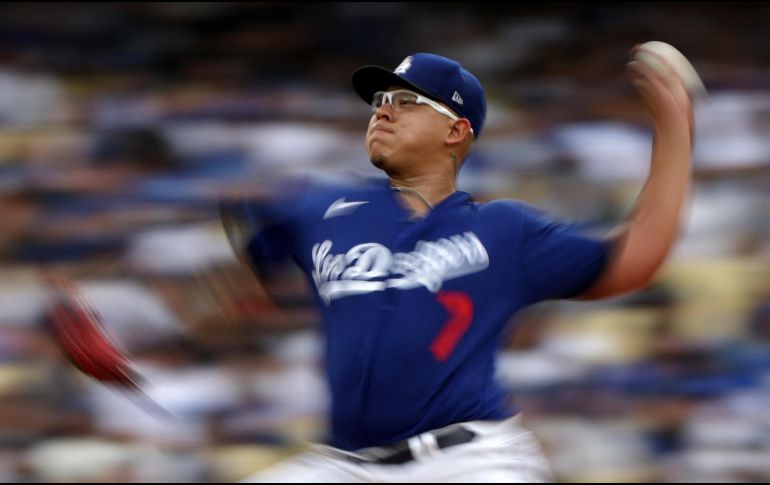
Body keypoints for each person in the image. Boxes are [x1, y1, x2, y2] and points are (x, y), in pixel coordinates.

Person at [226, 49, 695, 482]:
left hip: (466, 462)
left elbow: (634, 259)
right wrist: (162, 333)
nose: (382, 110)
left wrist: (675, 129)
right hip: (347, 467)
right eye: (381, 100)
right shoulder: (320, 209)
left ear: (455, 131)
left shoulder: (504, 231)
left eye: (407, 101)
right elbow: (236, 279)